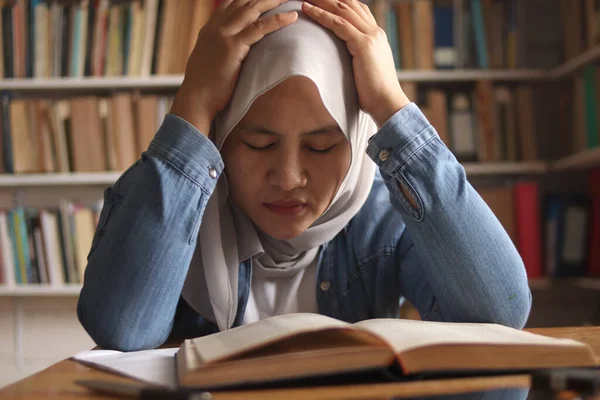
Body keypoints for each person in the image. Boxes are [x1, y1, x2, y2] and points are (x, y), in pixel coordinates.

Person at [77, 0, 531, 353]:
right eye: (258, 144)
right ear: (219, 134)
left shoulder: (383, 218)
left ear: (356, 141)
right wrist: (194, 102)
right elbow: (122, 327)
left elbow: (499, 313)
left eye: (322, 145)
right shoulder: (173, 203)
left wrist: (392, 107)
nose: (289, 177)